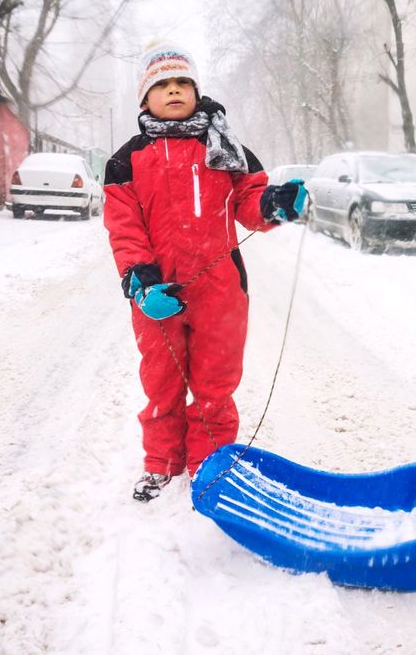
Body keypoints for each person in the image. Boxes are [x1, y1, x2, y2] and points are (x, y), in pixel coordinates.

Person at [102, 41, 307, 502]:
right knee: (161, 381)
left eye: (183, 83)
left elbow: (249, 203)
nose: (174, 91)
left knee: (216, 383)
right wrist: (141, 282)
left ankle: (210, 465)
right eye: (162, 85)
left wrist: (274, 204)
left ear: (196, 91)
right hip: (158, 292)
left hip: (220, 289)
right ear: (145, 99)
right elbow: (124, 228)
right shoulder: (125, 161)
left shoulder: (226, 149)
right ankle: (161, 463)